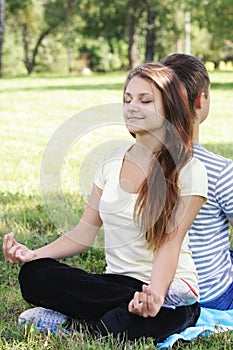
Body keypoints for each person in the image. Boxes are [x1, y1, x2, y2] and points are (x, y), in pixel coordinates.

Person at [2, 62, 208, 343]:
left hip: (167, 288)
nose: (132, 107)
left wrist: (156, 295)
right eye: (127, 99)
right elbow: (83, 233)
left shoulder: (189, 170)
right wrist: (33, 254)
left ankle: (76, 320)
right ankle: (112, 310)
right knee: (34, 275)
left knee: (117, 327)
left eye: (145, 100)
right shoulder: (111, 161)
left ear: (169, 107)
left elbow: (170, 245)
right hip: (117, 284)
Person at [161, 53, 233, 310]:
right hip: (211, 295)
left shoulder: (139, 165)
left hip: (155, 289)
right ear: (201, 100)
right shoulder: (221, 170)